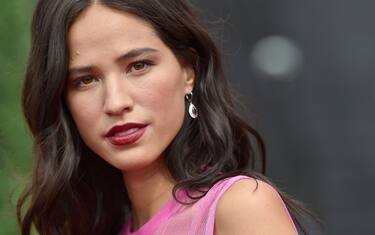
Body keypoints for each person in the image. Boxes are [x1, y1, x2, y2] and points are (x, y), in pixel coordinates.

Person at [17, 0, 317, 234]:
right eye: (85, 80)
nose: (116, 102)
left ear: (188, 71)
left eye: (138, 66)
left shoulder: (239, 207)